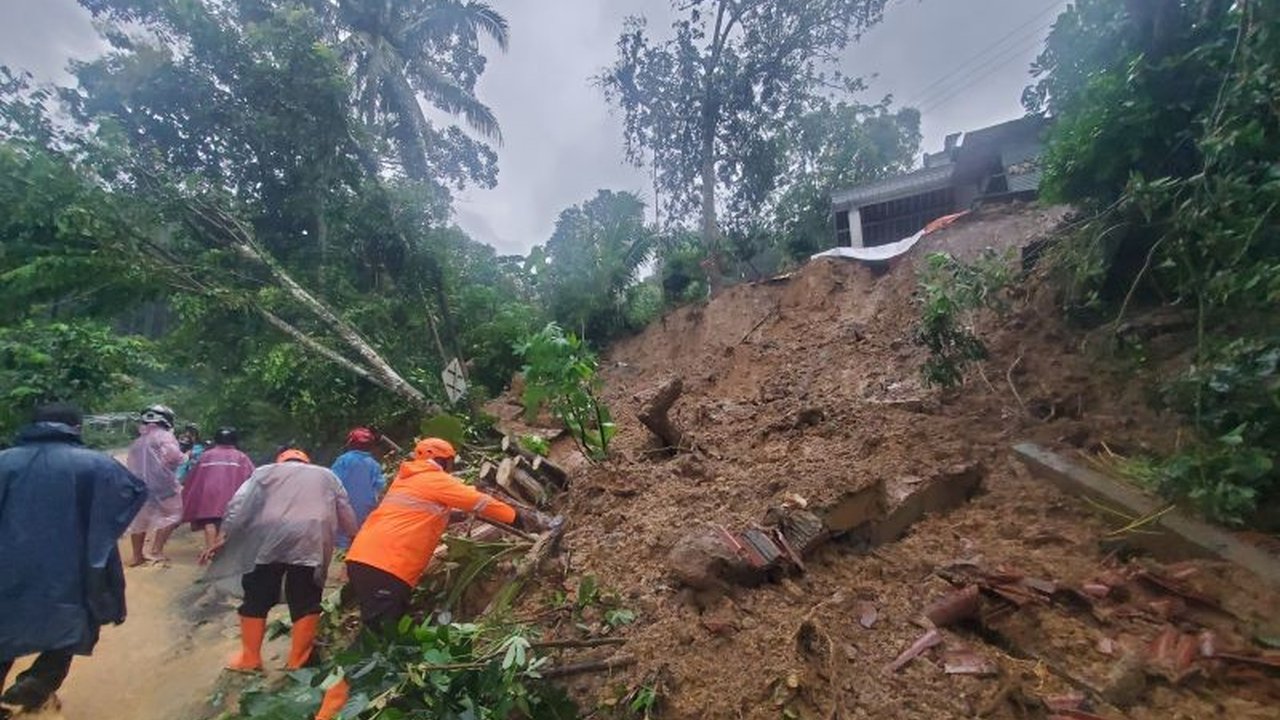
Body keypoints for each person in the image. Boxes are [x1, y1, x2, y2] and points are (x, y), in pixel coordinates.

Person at [315, 438, 559, 720]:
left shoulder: (409, 479)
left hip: (368, 559)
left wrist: (455, 516)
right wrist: (524, 519)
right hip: (386, 566)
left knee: (382, 632)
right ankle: (330, 710)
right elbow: (480, 501)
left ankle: (361, 696)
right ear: (445, 461)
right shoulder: (434, 478)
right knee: (373, 642)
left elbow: (424, 509)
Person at [0, 403, 147, 717]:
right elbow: (132, 492)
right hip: (71, 563)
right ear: (77, 428)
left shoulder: (4, 461)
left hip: (6, 562)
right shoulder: (97, 464)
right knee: (75, 621)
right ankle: (40, 680)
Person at [202, 448, 358, 673]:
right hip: (311, 538)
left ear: (280, 461)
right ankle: (297, 661)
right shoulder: (327, 475)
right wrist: (354, 536)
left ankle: (250, 659)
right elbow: (344, 507)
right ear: (306, 462)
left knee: (256, 595)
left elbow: (239, 504)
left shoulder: (264, 472)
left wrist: (224, 535)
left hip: (268, 538)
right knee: (306, 596)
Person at [125, 404, 185, 565]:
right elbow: (174, 457)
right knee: (174, 515)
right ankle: (156, 551)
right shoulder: (165, 436)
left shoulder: (138, 441)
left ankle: (137, 556)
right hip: (164, 484)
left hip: (140, 486)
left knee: (140, 520)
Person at [181, 428, 256, 555]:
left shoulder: (207, 455)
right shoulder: (241, 457)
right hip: (233, 493)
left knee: (209, 520)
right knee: (226, 521)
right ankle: (222, 551)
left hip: (209, 493)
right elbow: (252, 476)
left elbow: (195, 476)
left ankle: (210, 549)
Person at [330, 427, 386, 548]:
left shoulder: (343, 460)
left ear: (351, 443)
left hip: (343, 510)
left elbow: (331, 482)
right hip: (365, 511)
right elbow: (379, 487)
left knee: (340, 541)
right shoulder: (374, 464)